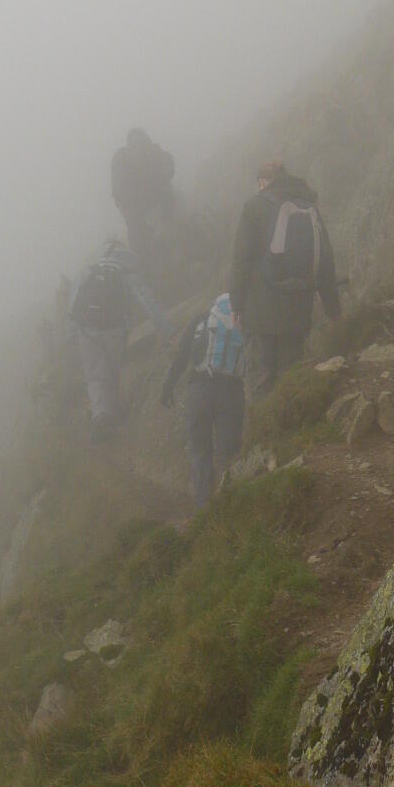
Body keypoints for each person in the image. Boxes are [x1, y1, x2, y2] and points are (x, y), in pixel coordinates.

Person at [229, 160, 342, 396]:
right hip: (298, 310)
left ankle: (262, 431)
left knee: (260, 384)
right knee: (289, 382)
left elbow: (241, 258)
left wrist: (237, 304)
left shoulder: (254, 206)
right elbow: (325, 260)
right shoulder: (309, 207)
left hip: (260, 313)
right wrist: (333, 309)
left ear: (264, 181)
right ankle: (290, 431)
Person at [69, 237, 170, 443]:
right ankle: (114, 414)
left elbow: (72, 306)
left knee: (95, 376)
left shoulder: (89, 270)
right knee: (113, 371)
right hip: (114, 328)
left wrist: (75, 333)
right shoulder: (125, 270)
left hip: (86, 329)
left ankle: (100, 415)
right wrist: (166, 329)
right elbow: (145, 298)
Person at [161, 293, 245, 509]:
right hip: (231, 390)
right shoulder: (245, 318)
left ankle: (204, 508)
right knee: (230, 450)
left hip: (199, 390)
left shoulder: (201, 318)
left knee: (200, 449)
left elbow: (183, 355)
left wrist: (169, 385)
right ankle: (233, 505)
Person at [110, 129, 176, 272]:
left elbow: (168, 170)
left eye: (142, 146)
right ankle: (147, 268)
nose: (139, 151)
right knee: (139, 238)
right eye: (136, 147)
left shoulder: (153, 153)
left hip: (154, 197)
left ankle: (170, 254)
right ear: (130, 148)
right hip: (134, 205)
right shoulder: (121, 163)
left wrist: (166, 222)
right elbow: (121, 198)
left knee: (169, 205)